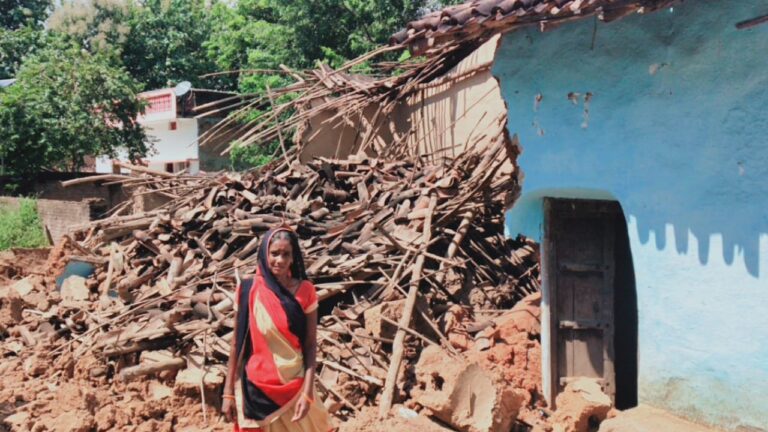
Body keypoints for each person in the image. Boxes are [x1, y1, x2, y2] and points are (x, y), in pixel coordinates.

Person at [222, 227, 332, 432]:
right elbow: (237, 343)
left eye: (286, 254)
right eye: (274, 253)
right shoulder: (248, 290)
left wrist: (307, 393)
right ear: (264, 254)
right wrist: (228, 392)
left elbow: (310, 345)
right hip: (256, 389)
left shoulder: (305, 290)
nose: (279, 260)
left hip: (295, 385)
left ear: (293, 258)